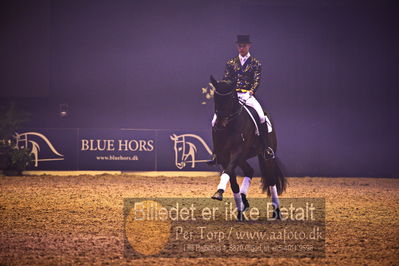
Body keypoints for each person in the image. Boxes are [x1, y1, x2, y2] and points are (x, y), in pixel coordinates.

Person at [209, 34, 274, 164]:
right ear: (237, 46)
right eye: (239, 46)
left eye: (244, 45)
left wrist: (252, 90)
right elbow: (227, 79)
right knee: (214, 121)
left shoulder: (256, 63)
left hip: (247, 95)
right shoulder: (231, 63)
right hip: (233, 96)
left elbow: (257, 79)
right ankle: (216, 152)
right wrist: (227, 89)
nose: (241, 48)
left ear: (249, 46)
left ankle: (266, 148)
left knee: (261, 117)